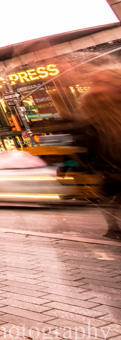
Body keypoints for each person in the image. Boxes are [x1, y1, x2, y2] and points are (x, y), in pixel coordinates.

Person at [72, 65, 121, 241]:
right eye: (95, 83)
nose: (96, 87)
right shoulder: (93, 125)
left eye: (102, 82)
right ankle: (114, 228)